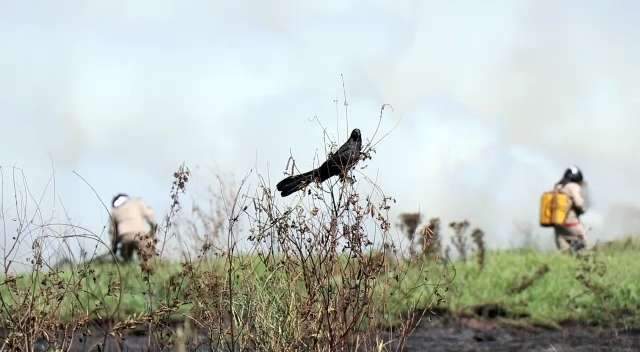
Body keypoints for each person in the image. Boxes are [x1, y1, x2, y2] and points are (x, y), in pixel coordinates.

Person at [109, 193, 158, 270]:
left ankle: (127, 274)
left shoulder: (114, 211)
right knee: (147, 260)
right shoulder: (137, 203)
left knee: (126, 261)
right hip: (140, 235)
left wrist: (113, 247)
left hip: (124, 237)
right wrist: (152, 232)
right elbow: (151, 217)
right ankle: (147, 273)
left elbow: (113, 232)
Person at [553, 166, 587, 252]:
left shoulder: (558, 186)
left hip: (558, 223)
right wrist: (582, 209)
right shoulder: (573, 186)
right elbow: (579, 203)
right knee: (582, 246)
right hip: (571, 223)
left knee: (564, 251)